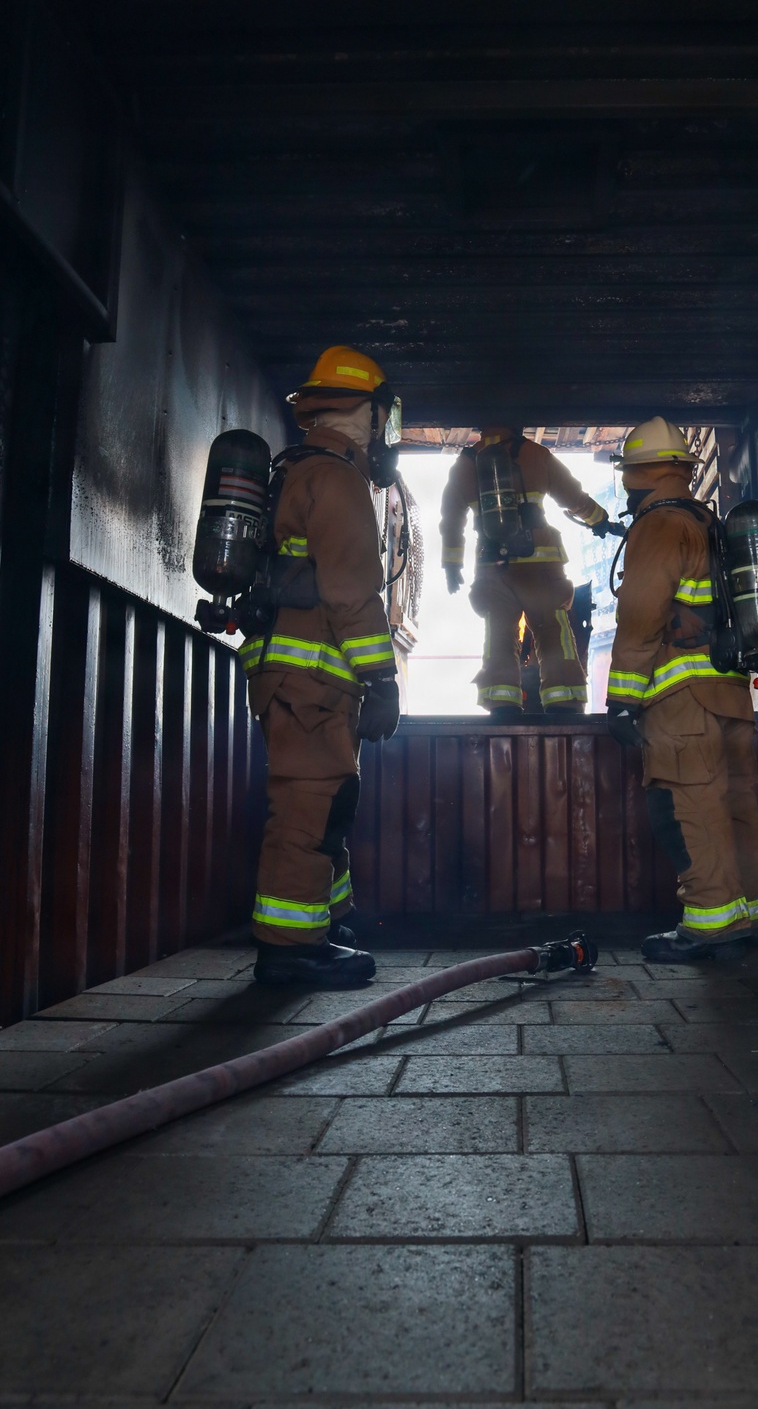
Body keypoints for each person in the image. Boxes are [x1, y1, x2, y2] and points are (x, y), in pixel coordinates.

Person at [240, 347, 401, 987]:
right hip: (312, 686)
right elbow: (351, 594)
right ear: (363, 410)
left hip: (293, 682)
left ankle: (320, 928)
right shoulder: (336, 480)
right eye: (384, 413)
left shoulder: (297, 470)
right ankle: (289, 951)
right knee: (309, 808)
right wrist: (383, 680)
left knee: (326, 801)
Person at [605, 417, 758, 961]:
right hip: (730, 695)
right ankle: (750, 913)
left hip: (682, 703)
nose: (627, 487)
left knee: (690, 807)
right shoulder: (708, 521)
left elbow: (640, 616)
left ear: (640, 474)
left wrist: (622, 699)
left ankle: (710, 925)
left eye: (629, 475)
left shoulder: (658, 527)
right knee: (738, 806)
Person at [440, 425, 612, 719]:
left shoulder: (466, 463)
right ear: (518, 423)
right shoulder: (536, 454)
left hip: (493, 568)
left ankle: (502, 705)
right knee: (553, 632)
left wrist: (452, 565)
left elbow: (451, 519)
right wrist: (600, 520)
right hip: (541, 565)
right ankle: (564, 703)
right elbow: (574, 496)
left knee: (499, 635)